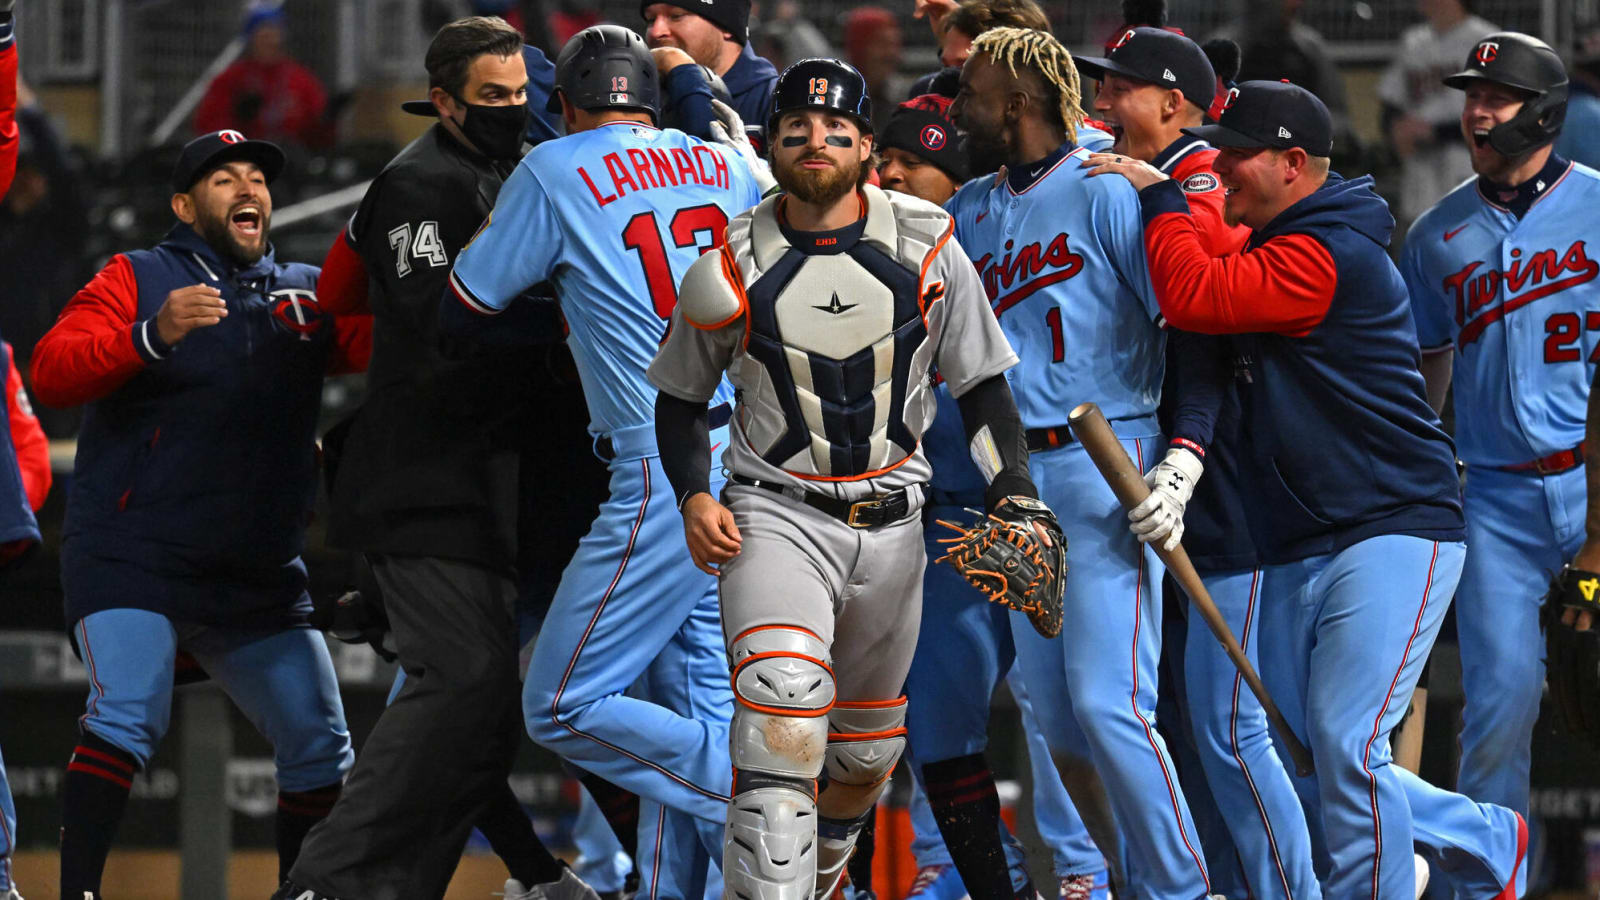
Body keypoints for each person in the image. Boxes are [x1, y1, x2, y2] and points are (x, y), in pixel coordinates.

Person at [1086, 77, 1530, 900]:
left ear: (1293, 163)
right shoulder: (1274, 239)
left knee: (1342, 741)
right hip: (1303, 532)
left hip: (1394, 522)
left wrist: (1158, 203)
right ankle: (1483, 838)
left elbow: (1193, 293)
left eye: (1239, 154)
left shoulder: (1328, 252)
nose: (1218, 164)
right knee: (1307, 748)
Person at [647, 55, 1053, 900]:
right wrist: (692, 494)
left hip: (897, 525)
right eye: (797, 130)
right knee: (782, 714)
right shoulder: (727, 259)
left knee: (863, 758)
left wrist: (1012, 488)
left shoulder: (930, 244)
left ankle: (827, 880)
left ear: (868, 144)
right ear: (773, 143)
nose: (817, 142)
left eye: (838, 130)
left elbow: (982, 388)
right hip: (776, 515)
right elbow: (681, 401)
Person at [274, 17, 601, 900]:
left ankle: (389, 888)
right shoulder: (419, 183)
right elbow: (440, 321)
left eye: (519, 95)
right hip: (424, 479)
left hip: (486, 482)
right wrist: (575, 317)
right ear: (446, 100)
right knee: (464, 680)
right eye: (490, 98)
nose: (510, 110)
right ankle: (326, 884)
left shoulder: (512, 169)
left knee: (486, 715)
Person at [443, 24, 765, 900]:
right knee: (700, 692)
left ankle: (764, 793)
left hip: (664, 462)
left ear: (569, 106)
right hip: (756, 453)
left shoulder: (553, 167)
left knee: (559, 700)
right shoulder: (726, 161)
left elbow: (465, 305)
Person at [27, 129, 366, 900]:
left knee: (320, 742)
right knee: (128, 713)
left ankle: (297, 890)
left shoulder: (306, 292)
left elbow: (387, 341)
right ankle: (76, 892)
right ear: (184, 204)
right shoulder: (139, 276)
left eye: (257, 178)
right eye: (224, 179)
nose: (248, 188)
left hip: (254, 571)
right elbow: (52, 368)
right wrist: (148, 334)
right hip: (135, 553)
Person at [947, 27, 1218, 899]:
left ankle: (1181, 888)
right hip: (1020, 479)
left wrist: (1181, 458)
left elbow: (1189, 332)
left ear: (1018, 105)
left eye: (972, 92)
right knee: (1059, 722)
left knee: (1111, 706)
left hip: (1111, 458)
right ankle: (1134, 881)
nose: (957, 109)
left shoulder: (1105, 189)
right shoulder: (970, 210)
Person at [1077, 27, 1323, 900]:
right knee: (1187, 719)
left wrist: (1184, 455)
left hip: (1235, 475)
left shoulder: (1195, 176)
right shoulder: (1136, 171)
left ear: (1175, 102)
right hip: (1204, 463)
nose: (1102, 105)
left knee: (1241, 724)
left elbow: (1203, 319)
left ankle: (1313, 882)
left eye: (1120, 90)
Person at [875, 94, 1110, 900]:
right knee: (938, 722)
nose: (894, 174)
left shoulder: (1008, 234)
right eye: (889, 161)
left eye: (917, 165)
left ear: (959, 181)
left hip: (1037, 499)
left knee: (1064, 709)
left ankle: (1087, 875)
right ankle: (973, 880)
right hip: (943, 516)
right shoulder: (873, 252)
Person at [1399, 31, 1594, 847]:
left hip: (1592, 491)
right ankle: (1490, 880)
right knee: (1498, 710)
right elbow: (1424, 378)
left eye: (1496, 98)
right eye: (1471, 97)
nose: (1477, 112)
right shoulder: (1436, 236)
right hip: (1498, 503)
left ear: (1543, 111)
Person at [1376, 0, 1497, 228]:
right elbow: (1390, 104)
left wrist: (1436, 132)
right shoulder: (1413, 41)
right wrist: (1395, 129)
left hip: (1470, 177)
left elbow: (1498, 118)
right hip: (1420, 180)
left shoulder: (1486, 40)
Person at [192, 4, 330, 149]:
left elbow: (317, 131)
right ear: (252, 40)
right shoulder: (232, 78)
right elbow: (206, 127)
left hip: (289, 159)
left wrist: (328, 120)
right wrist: (237, 120)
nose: (272, 42)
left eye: (276, 35)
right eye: (265, 36)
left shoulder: (300, 79)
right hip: (244, 156)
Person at [640, 0, 777, 135]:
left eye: (676, 16)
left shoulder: (774, 98)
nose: (656, 32)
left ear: (726, 25)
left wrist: (683, 71)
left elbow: (704, 153)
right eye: (651, 20)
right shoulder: (641, 97)